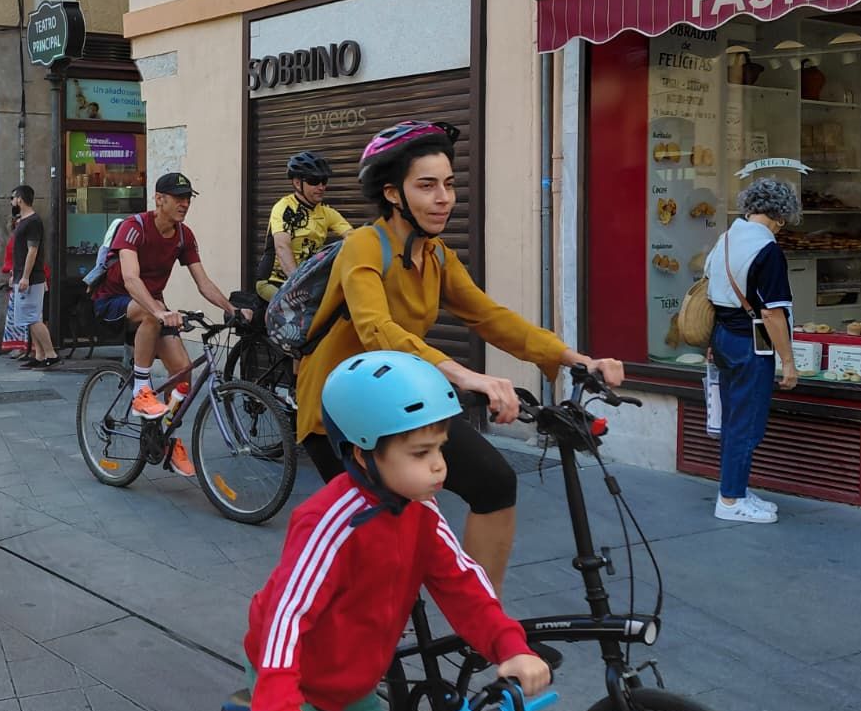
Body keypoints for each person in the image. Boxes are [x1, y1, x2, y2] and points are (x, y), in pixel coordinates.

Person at [297, 121, 623, 596]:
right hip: (342, 410)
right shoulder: (363, 245)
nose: (444, 198)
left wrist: (575, 359)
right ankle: (361, 625)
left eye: (449, 184)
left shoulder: (437, 256)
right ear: (392, 193)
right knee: (389, 539)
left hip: (400, 397)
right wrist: (465, 376)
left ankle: (482, 615)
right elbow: (375, 328)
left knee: (494, 482)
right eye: (427, 186)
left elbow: (490, 317)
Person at [245, 351, 550, 711]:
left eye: (440, 448)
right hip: (295, 681)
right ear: (364, 455)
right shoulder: (329, 523)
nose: (439, 465)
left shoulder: (420, 511)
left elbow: (464, 584)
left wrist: (511, 647)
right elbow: (284, 621)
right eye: (420, 453)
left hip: (352, 680)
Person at [90, 172, 252, 476]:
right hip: (113, 302)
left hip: (150, 307)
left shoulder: (183, 236)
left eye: (188, 198)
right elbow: (130, 278)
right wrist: (159, 310)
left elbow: (203, 282)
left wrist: (232, 309)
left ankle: (164, 436)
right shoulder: (134, 228)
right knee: (153, 314)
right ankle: (141, 392)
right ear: (159, 199)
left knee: (183, 373)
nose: (185, 203)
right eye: (178, 197)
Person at [705, 177, 800, 524]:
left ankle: (736, 489)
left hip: (723, 336)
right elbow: (772, 313)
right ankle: (730, 500)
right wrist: (788, 362)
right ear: (780, 216)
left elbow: (709, 288)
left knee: (733, 420)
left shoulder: (727, 238)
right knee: (746, 425)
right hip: (750, 343)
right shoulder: (768, 250)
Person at [258, 151, 351, 301]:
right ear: (297, 183)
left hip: (306, 283)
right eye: (314, 181)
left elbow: (353, 237)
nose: (321, 187)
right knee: (298, 309)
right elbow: (282, 247)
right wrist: (299, 285)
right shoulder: (284, 208)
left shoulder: (326, 212)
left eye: (324, 181)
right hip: (273, 282)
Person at [9, 185, 59, 368]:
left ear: (20, 199)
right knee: (28, 317)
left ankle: (51, 353)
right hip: (24, 275)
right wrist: (16, 273)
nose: (12, 202)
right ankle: (39, 354)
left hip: (32, 278)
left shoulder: (33, 222)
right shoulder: (24, 221)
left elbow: (33, 250)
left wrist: (25, 277)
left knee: (32, 317)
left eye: (13, 198)